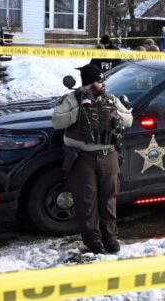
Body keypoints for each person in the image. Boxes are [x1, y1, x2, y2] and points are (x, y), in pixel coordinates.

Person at [51, 64, 132, 254]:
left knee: (109, 199)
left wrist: (114, 113)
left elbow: (128, 119)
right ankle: (93, 241)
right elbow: (56, 122)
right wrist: (79, 111)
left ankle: (110, 237)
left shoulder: (111, 99)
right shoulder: (71, 100)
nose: (102, 83)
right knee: (87, 201)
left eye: (102, 80)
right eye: (98, 80)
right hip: (82, 158)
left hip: (108, 155)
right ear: (88, 84)